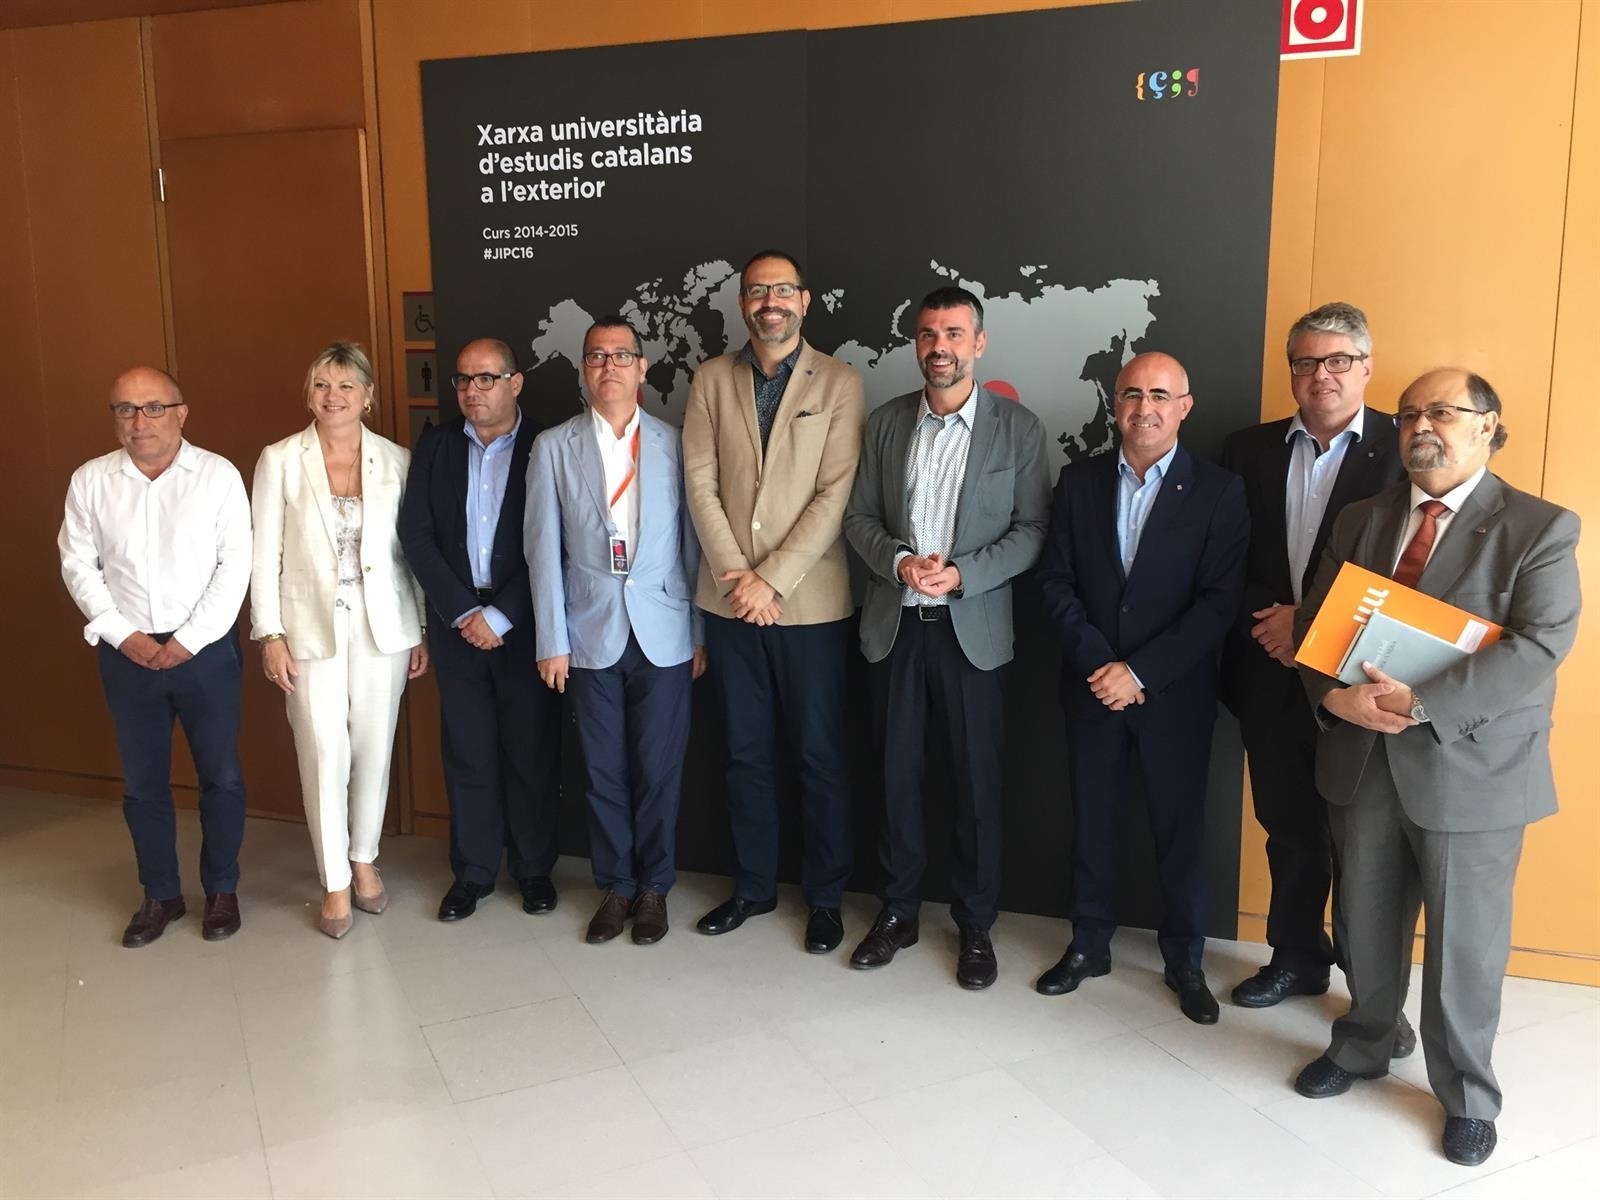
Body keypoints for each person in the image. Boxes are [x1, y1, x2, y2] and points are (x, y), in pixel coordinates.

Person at [1291, 369, 1580, 1168]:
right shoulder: (1362, 518)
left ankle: (1467, 1097)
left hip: (1472, 766)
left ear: (1488, 424)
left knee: (1466, 945)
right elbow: (1316, 626)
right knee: (1364, 921)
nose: (1423, 426)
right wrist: (1334, 699)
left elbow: (1540, 645)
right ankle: (1364, 1042)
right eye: (1411, 413)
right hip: (1363, 755)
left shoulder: (1540, 526)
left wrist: (1424, 703)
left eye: (1444, 412)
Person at [841, 286, 1050, 989]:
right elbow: (859, 518)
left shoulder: (1017, 429)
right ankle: (897, 912)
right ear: (916, 344)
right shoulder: (885, 423)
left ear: (978, 343)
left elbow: (1032, 531)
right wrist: (900, 561)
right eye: (929, 334)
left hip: (973, 634)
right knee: (895, 780)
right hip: (895, 627)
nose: (941, 347)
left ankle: (976, 925)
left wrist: (961, 574)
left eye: (955, 334)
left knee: (976, 787)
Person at [1033, 351, 1248, 1023]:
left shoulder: (1219, 491)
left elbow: (1219, 603)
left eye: (1160, 395)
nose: (1144, 408)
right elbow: (1055, 581)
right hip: (1092, 687)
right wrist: (1103, 665)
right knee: (1092, 825)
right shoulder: (1079, 482)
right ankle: (1088, 945)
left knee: (1179, 835)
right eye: (1131, 394)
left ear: (1185, 407)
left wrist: (1141, 672)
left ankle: (1184, 960)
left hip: (1173, 696)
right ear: (1114, 402)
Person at [1219, 302, 1408, 1016]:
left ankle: (1372, 1000)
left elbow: (1413, 573)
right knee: (1289, 829)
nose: (1321, 374)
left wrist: (1309, 627)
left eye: (1337, 361)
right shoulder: (1248, 450)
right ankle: (1296, 959)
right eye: (1306, 362)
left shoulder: (1402, 448)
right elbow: (1222, 555)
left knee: (1363, 846)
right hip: (1269, 672)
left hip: (1362, 680)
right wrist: (1275, 626)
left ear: (1366, 367)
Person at [682, 250, 865, 954]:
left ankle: (825, 899)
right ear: (742, 303)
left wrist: (774, 580)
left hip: (809, 606)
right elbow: (700, 483)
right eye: (758, 291)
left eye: (782, 290)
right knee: (744, 754)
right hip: (731, 605)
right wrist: (740, 579)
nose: (770, 302)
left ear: (804, 300)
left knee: (820, 757)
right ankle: (754, 888)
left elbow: (835, 493)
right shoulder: (711, 379)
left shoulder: (840, 381)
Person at [525, 317, 706, 945]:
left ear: (641, 367)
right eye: (597, 356)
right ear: (584, 369)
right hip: (587, 631)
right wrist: (551, 639)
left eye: (621, 355)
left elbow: (692, 545)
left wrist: (699, 633)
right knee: (602, 770)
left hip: (665, 629)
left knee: (659, 768)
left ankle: (654, 888)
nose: (609, 366)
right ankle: (617, 886)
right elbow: (542, 550)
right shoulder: (553, 447)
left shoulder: (674, 443)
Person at [58, 367, 251, 947]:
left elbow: (235, 564)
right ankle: (160, 894)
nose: (139, 421)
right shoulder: (91, 481)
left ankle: (221, 890)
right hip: (128, 654)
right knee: (143, 784)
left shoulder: (217, 476)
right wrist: (124, 635)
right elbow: (78, 565)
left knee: (221, 777)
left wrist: (189, 639)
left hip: (205, 652)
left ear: (181, 413)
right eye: (125, 409)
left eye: (153, 407)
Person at [250, 342, 429, 939]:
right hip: (306, 629)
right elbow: (263, 555)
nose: (334, 397)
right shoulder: (280, 459)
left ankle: (364, 859)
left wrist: (420, 627)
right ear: (308, 395)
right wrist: (270, 633)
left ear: (368, 396)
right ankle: (333, 880)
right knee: (323, 751)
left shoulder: (397, 460)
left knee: (374, 748)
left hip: (384, 625)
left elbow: (411, 552)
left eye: (347, 386)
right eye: (323, 385)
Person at [398, 338, 561, 922]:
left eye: (486, 378)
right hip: (458, 624)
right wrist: (465, 612)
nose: (472, 391)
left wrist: (501, 614)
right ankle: (472, 873)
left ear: (515, 383)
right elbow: (416, 536)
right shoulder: (437, 446)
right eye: (464, 380)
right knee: (467, 753)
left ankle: (534, 869)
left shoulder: (546, 444)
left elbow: (556, 539)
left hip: (526, 622)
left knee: (530, 751)